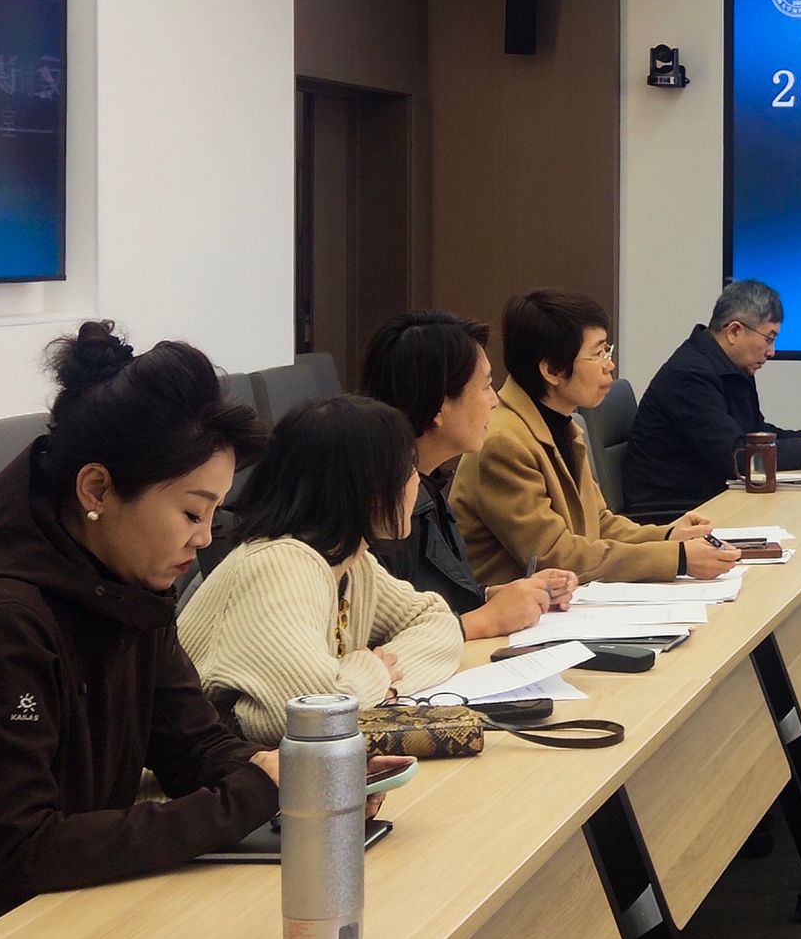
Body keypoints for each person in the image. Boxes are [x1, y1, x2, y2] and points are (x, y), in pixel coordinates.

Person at [0, 322, 283, 939]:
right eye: (191, 513)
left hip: (61, 923)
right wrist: (250, 796)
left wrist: (300, 782)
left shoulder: (129, 587)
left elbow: (192, 747)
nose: (205, 539)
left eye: (214, 515)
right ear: (96, 491)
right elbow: (25, 846)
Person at [179, 395, 465, 744]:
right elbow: (307, 719)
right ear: (373, 489)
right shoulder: (279, 566)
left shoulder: (351, 564)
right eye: (408, 470)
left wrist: (369, 687)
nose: (416, 482)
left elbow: (440, 624)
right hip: (199, 776)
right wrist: (373, 675)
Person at [452, 289, 733, 585]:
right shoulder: (503, 442)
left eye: (607, 351)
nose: (609, 365)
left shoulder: (565, 424)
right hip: (519, 606)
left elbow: (599, 524)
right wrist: (678, 558)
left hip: (565, 599)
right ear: (552, 370)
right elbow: (555, 556)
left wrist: (668, 535)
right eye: (598, 354)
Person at [359, 310, 579, 638]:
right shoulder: (380, 505)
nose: (495, 401)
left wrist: (500, 596)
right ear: (439, 406)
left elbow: (434, 597)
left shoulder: (428, 483)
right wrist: (488, 619)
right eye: (486, 386)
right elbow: (382, 638)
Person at [622, 279, 801, 522]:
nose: (772, 352)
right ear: (734, 331)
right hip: (675, 514)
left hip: (713, 500)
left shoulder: (732, 367)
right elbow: (738, 457)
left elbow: (756, 435)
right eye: (769, 338)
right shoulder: (689, 375)